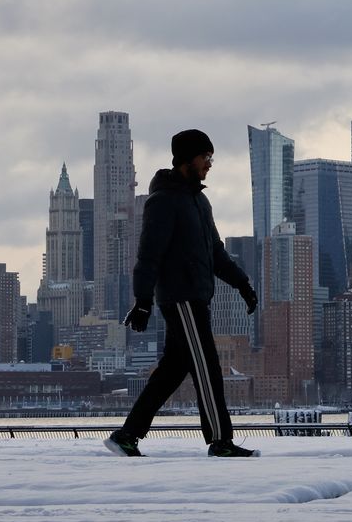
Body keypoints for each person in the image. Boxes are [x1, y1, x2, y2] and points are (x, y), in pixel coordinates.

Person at [105, 129, 260, 458]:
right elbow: (149, 256)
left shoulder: (199, 202)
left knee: (172, 371)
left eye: (211, 158)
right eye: (206, 157)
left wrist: (243, 284)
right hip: (182, 298)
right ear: (188, 159)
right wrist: (143, 301)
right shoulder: (163, 201)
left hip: (198, 296)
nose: (210, 164)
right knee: (207, 366)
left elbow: (216, 253)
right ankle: (220, 440)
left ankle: (127, 435)